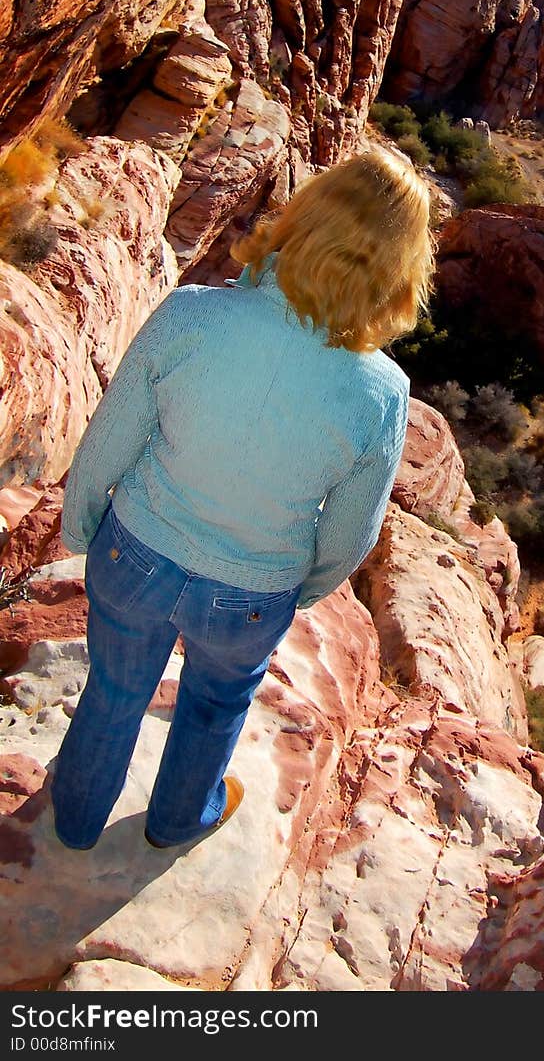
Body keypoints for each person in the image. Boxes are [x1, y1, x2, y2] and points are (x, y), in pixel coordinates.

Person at [52, 147, 434, 851]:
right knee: (216, 705)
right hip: (251, 591)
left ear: (306, 217)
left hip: (136, 551)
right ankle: (176, 820)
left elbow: (108, 442)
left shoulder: (192, 314)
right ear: (399, 273)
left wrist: (81, 526)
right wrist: (297, 588)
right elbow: (353, 534)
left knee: (112, 688)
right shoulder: (382, 393)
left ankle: (73, 821)